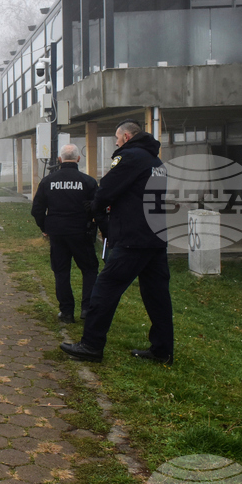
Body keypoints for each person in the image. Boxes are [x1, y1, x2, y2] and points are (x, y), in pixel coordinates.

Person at [60, 120, 174, 365]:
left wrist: (95, 209)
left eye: (117, 138)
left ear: (126, 137)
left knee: (104, 290)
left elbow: (106, 189)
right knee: (157, 297)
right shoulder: (157, 163)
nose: (115, 142)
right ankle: (162, 350)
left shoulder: (129, 157)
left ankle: (91, 345)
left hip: (132, 237)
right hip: (155, 238)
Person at [30, 144, 104, 324]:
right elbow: (97, 207)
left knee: (61, 271)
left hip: (57, 233)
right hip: (82, 233)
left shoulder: (48, 181)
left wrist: (44, 227)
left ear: (59, 159)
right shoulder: (88, 182)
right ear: (78, 158)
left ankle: (66, 312)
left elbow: (37, 209)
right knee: (89, 269)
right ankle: (87, 309)